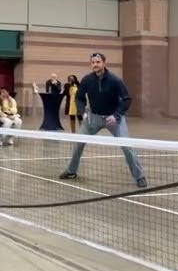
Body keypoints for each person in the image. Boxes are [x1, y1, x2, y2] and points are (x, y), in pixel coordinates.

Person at [60, 53, 146, 187]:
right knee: (78, 143)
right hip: (93, 118)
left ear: (104, 63)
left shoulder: (115, 80)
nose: (95, 64)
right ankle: (71, 171)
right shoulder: (87, 80)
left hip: (113, 119)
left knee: (127, 147)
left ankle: (139, 177)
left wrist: (116, 115)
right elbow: (79, 98)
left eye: (98, 62)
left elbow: (126, 99)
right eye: (93, 62)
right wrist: (83, 112)